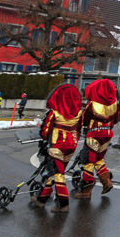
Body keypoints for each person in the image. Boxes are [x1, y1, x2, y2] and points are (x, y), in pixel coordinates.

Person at [33, 84, 84, 212]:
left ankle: (63, 203)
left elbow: (45, 131)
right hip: (71, 146)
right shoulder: (79, 113)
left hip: (57, 146)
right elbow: (79, 129)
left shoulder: (54, 113)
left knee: (57, 174)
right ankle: (41, 199)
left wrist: (44, 138)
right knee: (55, 174)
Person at [75, 79, 119, 198]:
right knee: (99, 159)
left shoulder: (93, 104)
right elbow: (116, 119)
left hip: (94, 135)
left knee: (88, 160)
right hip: (107, 135)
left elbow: (84, 119)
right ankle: (106, 182)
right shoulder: (115, 104)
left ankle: (86, 190)